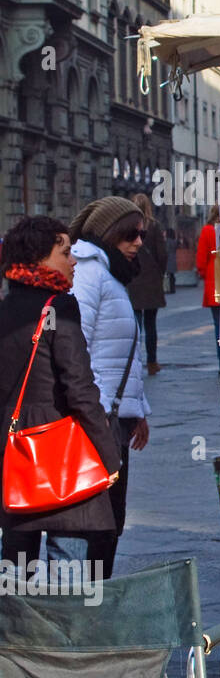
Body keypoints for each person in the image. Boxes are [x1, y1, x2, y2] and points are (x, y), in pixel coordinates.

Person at [0, 216, 122, 573]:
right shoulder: (59, 307)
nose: (73, 261)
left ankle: (21, 631)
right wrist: (108, 456)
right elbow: (80, 389)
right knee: (67, 575)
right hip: (61, 457)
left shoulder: (6, 308)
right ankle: (65, 630)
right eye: (65, 252)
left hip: (14, 459)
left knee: (16, 575)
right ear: (40, 256)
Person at [68, 196, 151, 576]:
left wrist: (138, 410)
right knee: (97, 521)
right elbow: (75, 347)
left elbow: (122, 352)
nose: (138, 242)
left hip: (113, 418)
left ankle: (93, 601)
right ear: (107, 234)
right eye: (130, 235)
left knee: (111, 519)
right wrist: (96, 412)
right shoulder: (89, 273)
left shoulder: (110, 274)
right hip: (96, 420)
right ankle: (86, 605)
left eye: (141, 234)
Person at [126, 192, 167, 376]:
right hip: (151, 281)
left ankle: (135, 361)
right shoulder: (154, 226)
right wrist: (160, 272)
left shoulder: (126, 227)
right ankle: (152, 362)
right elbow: (162, 254)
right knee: (151, 325)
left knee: (135, 324)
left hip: (133, 279)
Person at [196, 205, 220, 372]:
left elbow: (200, 259)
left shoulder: (207, 230)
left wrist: (205, 274)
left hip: (214, 279)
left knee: (218, 327)